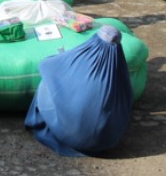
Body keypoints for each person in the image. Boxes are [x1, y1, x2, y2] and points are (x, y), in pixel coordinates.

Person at [25, 25, 133, 156]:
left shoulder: (83, 57)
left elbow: (45, 65)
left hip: (72, 137)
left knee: (48, 81)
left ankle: (37, 120)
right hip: (107, 141)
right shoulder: (120, 74)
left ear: (95, 40)